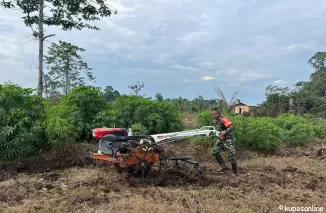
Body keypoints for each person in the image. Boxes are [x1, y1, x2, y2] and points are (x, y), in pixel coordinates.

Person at [211, 107, 239, 176]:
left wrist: (225, 132)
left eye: (213, 114)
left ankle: (235, 172)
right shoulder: (216, 120)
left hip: (228, 140)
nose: (212, 116)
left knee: (232, 155)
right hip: (221, 139)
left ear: (218, 114)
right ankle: (223, 166)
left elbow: (231, 127)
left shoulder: (223, 118)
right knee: (214, 151)